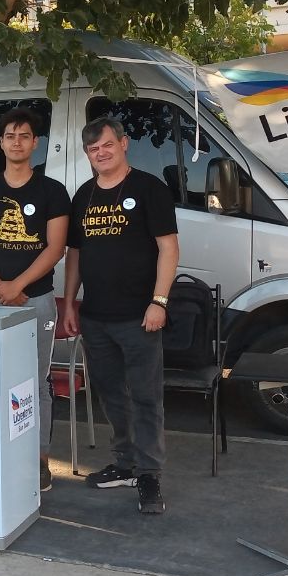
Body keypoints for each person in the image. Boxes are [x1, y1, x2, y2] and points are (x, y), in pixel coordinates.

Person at [62, 116, 179, 514]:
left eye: (108, 145)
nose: (102, 153)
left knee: (146, 397)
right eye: (94, 149)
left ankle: (149, 475)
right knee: (111, 394)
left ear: (124, 143)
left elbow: (168, 248)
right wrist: (70, 302)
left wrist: (159, 301)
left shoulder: (149, 188)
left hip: (140, 316)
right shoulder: (84, 195)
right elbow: (75, 254)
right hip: (96, 317)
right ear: (87, 154)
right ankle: (126, 463)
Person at [0, 107, 69, 492]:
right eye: (10, 136)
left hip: (37, 299)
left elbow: (55, 248)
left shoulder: (52, 191)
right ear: (1, 143)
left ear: (35, 143)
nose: (17, 142)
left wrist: (18, 286)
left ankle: (39, 459)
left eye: (24, 136)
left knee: (36, 381)